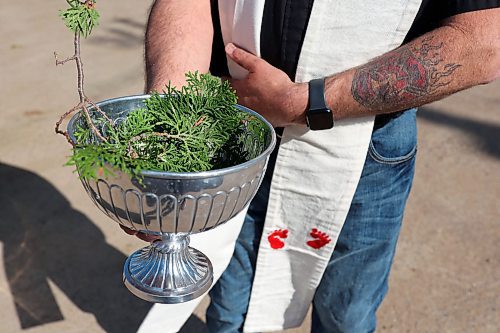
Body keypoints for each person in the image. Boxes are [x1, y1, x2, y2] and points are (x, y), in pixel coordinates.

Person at [130, 1, 500, 332]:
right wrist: (170, 127)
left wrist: (303, 102)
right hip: (236, 128)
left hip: (364, 142)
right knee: (233, 309)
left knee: (345, 314)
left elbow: (484, 41)